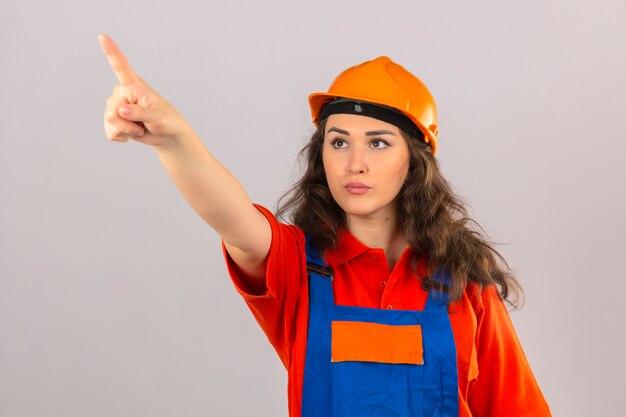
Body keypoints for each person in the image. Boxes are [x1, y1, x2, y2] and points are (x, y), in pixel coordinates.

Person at [99, 33, 551, 417]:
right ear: (322, 156)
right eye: (339, 142)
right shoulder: (298, 269)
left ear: (415, 162)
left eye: (378, 142)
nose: (354, 163)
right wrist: (172, 139)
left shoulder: (463, 284)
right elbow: (232, 217)